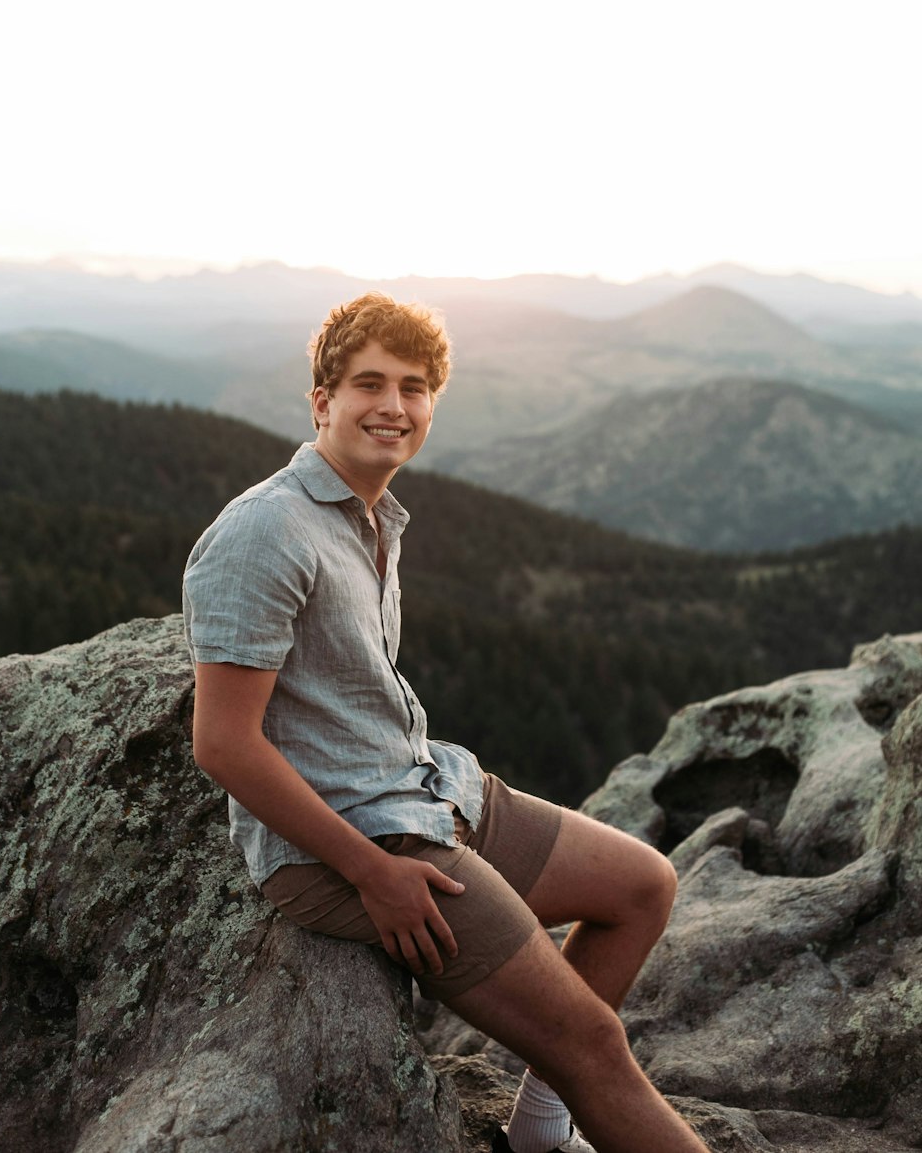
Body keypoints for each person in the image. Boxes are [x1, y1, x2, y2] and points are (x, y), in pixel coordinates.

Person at [184, 293, 708, 1153]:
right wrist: (369, 874)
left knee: (643, 885)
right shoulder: (264, 533)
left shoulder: (369, 516)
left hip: (421, 787)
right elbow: (224, 743)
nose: (394, 406)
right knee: (591, 1043)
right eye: (369, 384)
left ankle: (538, 1133)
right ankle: (568, 1103)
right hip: (352, 843)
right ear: (322, 401)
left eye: (415, 388)